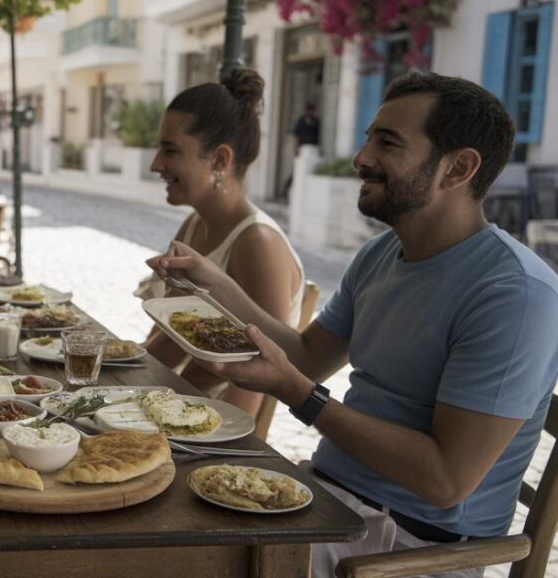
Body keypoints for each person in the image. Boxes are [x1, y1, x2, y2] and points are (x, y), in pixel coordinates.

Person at [151, 71, 558, 578]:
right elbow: (305, 357)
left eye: (386, 142)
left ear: (458, 168)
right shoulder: (383, 253)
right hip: (327, 506)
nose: (361, 157)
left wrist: (300, 394)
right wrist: (219, 287)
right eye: (368, 137)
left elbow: (445, 480)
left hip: (409, 550)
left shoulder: (516, 294)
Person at [138, 69, 304, 417]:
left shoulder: (258, 243)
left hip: (213, 427)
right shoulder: (195, 224)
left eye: (170, 150)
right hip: (171, 405)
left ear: (220, 160)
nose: (156, 164)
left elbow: (264, 381)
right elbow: (167, 345)